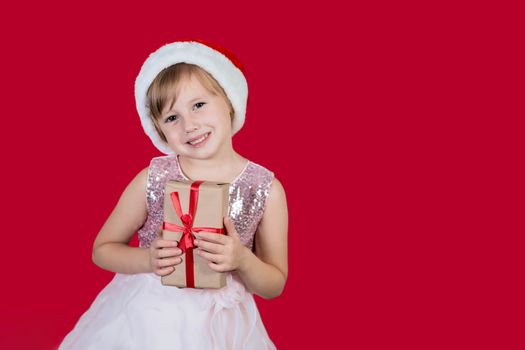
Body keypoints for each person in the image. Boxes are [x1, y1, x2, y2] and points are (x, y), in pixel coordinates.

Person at [58, 40, 288, 349]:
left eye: (198, 105)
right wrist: (148, 259)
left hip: (223, 328)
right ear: (159, 130)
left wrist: (242, 260)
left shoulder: (265, 189)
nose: (189, 125)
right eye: (171, 118)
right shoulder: (153, 179)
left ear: (229, 101)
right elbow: (102, 249)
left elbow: (274, 283)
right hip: (148, 319)